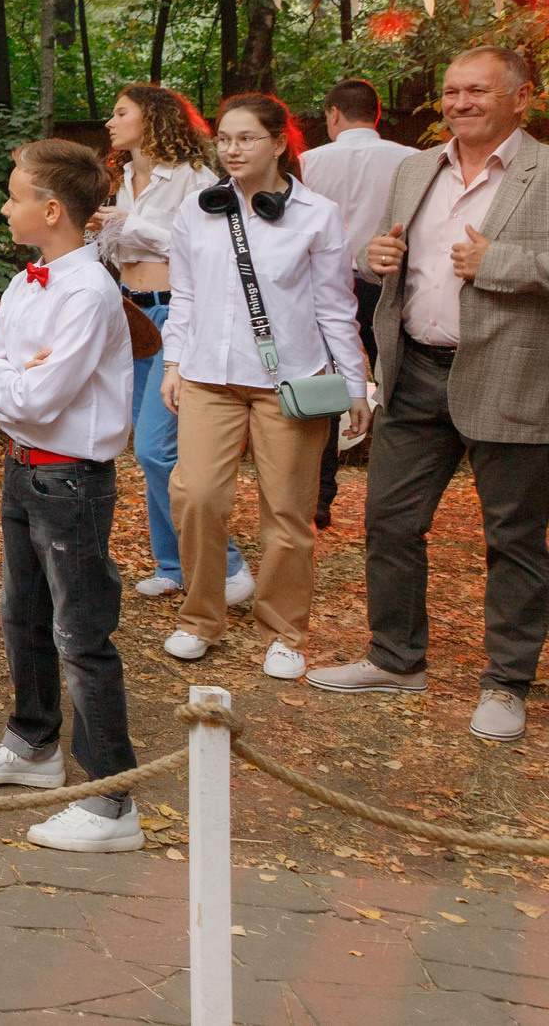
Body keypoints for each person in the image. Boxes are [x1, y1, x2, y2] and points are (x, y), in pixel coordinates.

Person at [309, 47, 549, 743]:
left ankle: (506, 683)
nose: (460, 102)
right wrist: (376, 258)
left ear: (521, 98)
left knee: (514, 538)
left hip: (511, 373)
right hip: (414, 370)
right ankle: (396, 659)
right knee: (388, 521)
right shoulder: (416, 169)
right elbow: (389, 256)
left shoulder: (544, 171)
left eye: (478, 90)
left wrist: (501, 262)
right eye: (451, 91)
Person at [0, 139, 144, 853]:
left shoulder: (88, 292)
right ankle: (33, 744)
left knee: (81, 632)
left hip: (71, 481)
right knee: (22, 612)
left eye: (14, 196)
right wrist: (8, 376)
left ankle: (111, 799)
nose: (5, 207)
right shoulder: (28, 281)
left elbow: (40, 396)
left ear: (52, 210)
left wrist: (5, 381)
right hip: (22, 467)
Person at [160, 93, 369, 678]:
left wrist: (354, 384)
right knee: (196, 496)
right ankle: (200, 619)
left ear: (279, 143)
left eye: (246, 138)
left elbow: (336, 308)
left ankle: (284, 632)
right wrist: (174, 363)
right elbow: (185, 296)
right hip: (208, 377)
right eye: (224, 138)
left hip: (291, 384)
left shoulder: (317, 215)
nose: (231, 149)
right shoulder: (197, 210)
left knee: (288, 512)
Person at [90, 85, 250, 603]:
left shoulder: (194, 178)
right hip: (130, 313)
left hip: (176, 313)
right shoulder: (122, 181)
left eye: (121, 112)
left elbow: (204, 246)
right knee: (147, 447)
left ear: (153, 119)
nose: (110, 122)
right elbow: (122, 250)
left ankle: (228, 565)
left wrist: (129, 223)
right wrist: (99, 231)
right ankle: (173, 564)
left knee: (158, 448)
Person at [298, 79, 413, 532]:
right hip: (388, 284)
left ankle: (319, 494)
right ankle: (393, 491)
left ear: (333, 114)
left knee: (324, 386)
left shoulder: (308, 162)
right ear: (376, 114)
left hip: (324, 286)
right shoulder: (410, 160)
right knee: (395, 383)